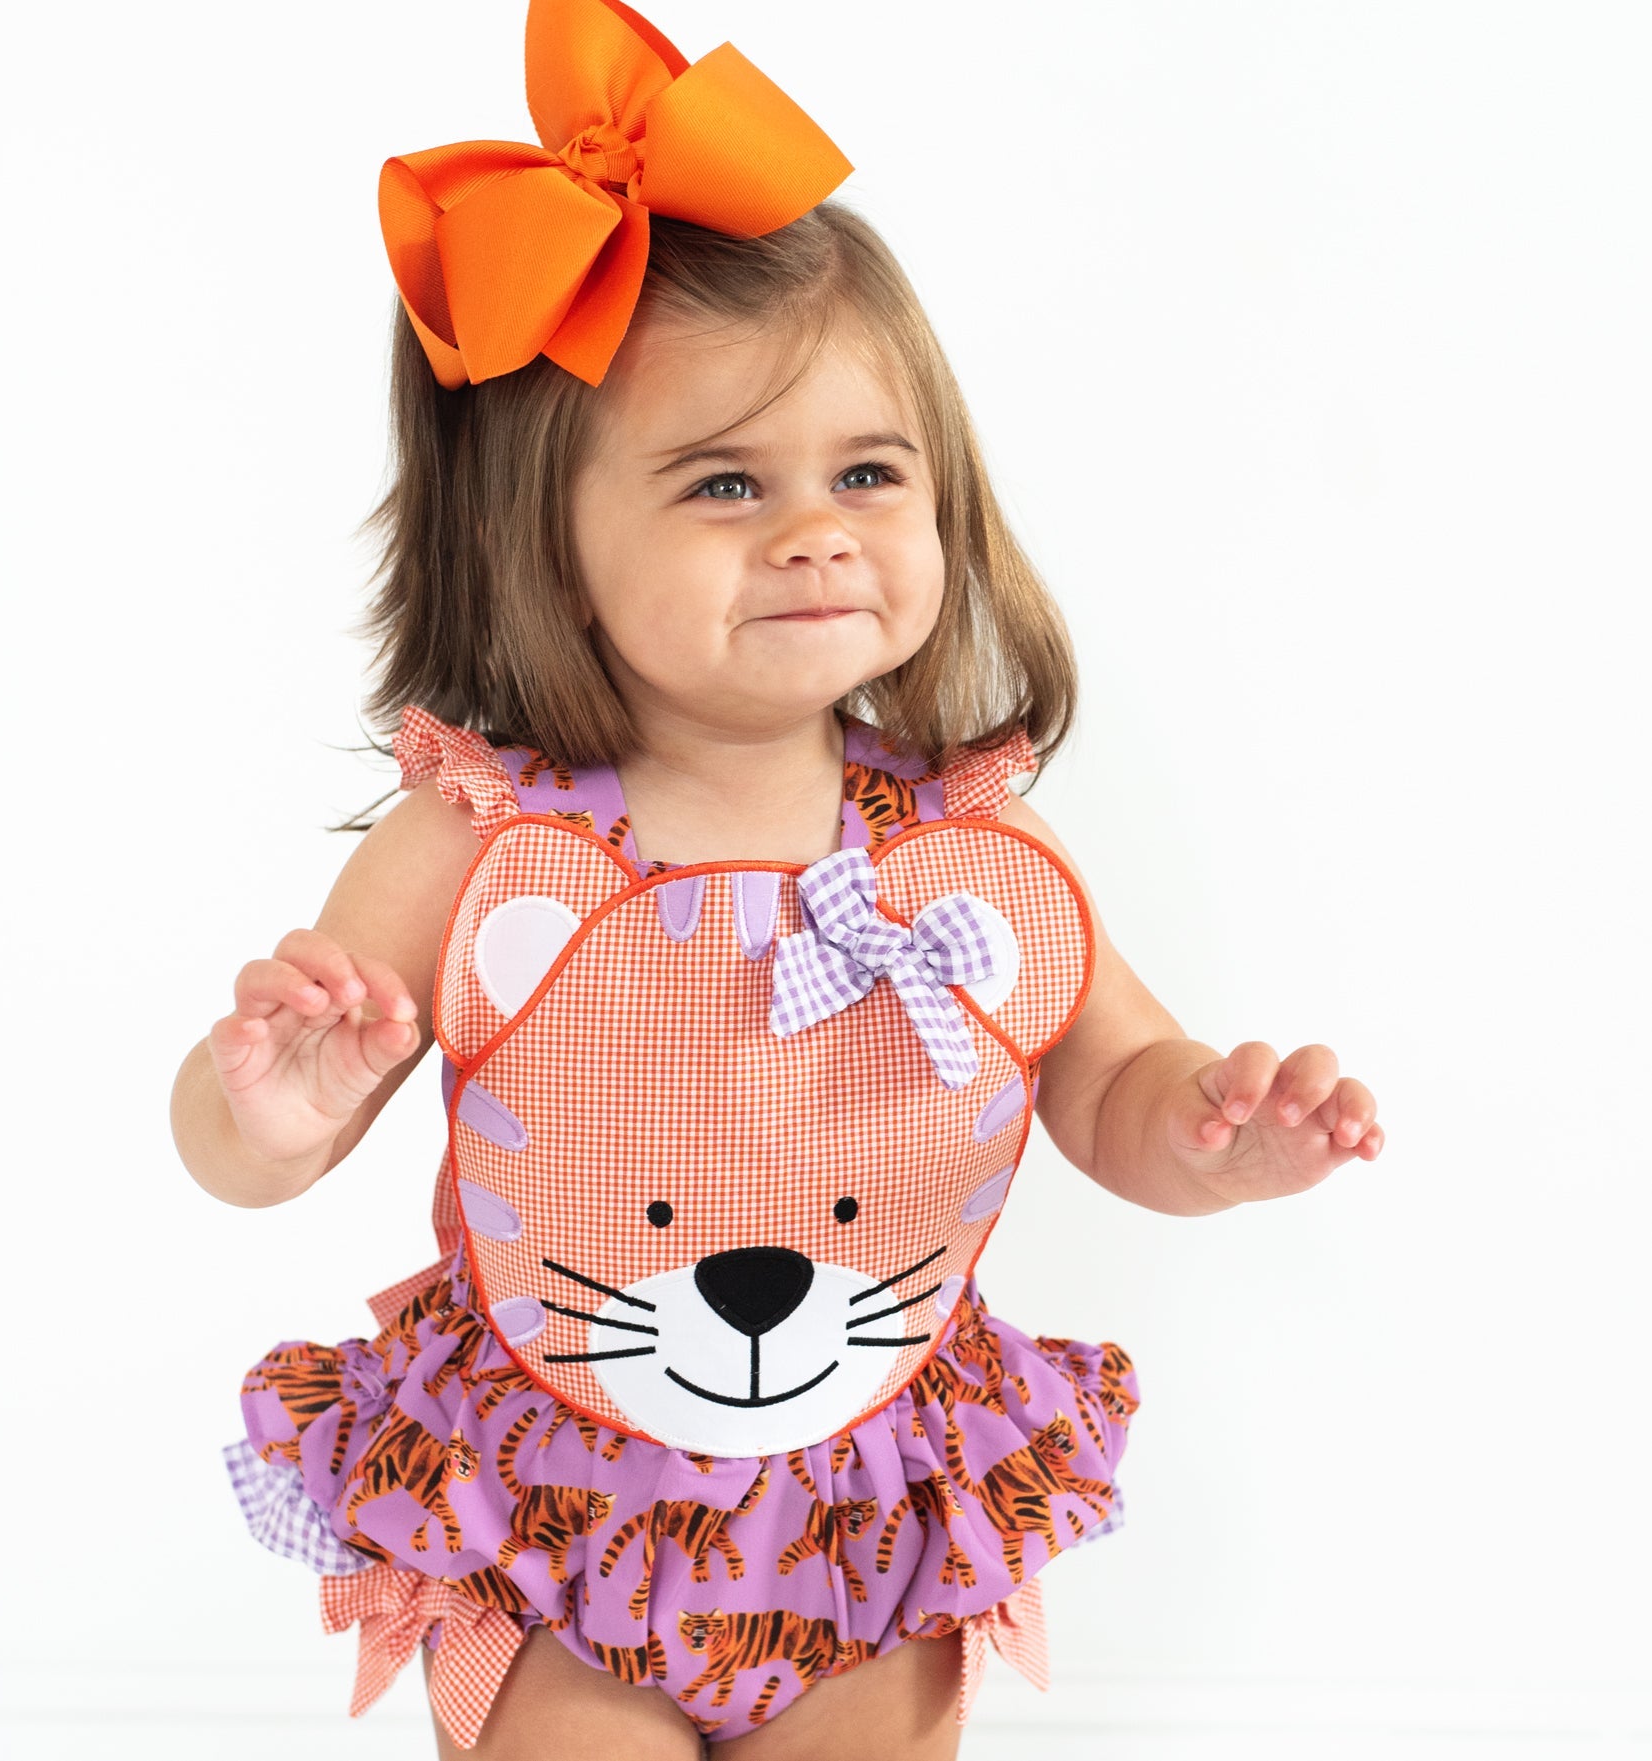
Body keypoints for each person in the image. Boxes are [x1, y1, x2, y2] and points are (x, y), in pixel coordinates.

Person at [172, 2, 1385, 1755]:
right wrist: (270, 1107)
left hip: (873, 1493)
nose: (817, 529)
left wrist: (1213, 1132)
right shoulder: (479, 838)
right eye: (725, 483)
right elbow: (240, 1155)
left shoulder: (966, 850)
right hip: (549, 1494)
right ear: (544, 547)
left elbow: (1111, 1079)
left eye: (867, 474)